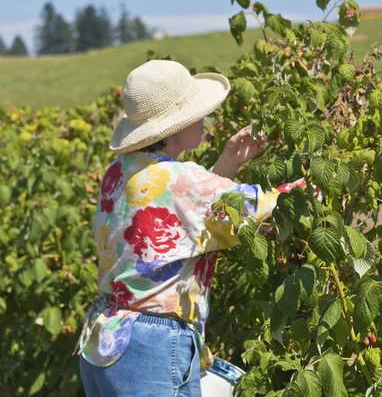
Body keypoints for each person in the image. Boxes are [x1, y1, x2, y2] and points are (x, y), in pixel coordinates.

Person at [75, 59, 304, 396]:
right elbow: (259, 210)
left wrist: (227, 164)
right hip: (151, 346)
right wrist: (317, 185)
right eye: (197, 112)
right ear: (174, 126)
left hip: (106, 340)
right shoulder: (179, 178)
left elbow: (187, 218)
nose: (204, 119)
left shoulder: (120, 170)